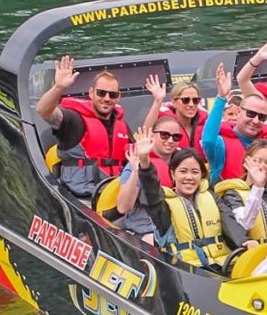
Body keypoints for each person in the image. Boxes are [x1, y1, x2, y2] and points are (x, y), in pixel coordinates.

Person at [35, 55, 133, 197]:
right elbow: (43, 110)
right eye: (101, 93)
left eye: (112, 95)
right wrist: (59, 87)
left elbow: (137, 154)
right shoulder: (73, 120)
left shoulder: (121, 125)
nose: (106, 98)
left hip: (113, 193)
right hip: (80, 197)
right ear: (91, 93)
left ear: (118, 97)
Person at [201, 63, 267, 190]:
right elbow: (208, 140)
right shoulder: (220, 145)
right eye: (251, 114)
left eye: (262, 117)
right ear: (238, 113)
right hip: (230, 206)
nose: (256, 120)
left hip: (265, 205)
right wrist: (221, 98)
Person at [135, 138, 228, 270]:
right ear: (173, 174)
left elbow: (232, 226)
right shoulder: (163, 207)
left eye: (195, 172)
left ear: (202, 175)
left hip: (221, 268)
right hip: (184, 273)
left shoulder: (213, 198)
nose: (189, 177)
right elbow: (152, 193)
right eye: (183, 171)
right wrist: (144, 162)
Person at [116, 118, 182, 243]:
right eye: (164, 135)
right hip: (145, 231)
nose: (170, 140)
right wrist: (136, 171)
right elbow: (123, 207)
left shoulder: (183, 163)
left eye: (176, 137)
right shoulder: (134, 163)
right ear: (152, 136)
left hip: (178, 228)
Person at [215, 139, 267, 251]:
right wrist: (258, 187)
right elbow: (244, 224)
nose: (262, 166)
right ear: (246, 163)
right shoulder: (232, 194)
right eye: (257, 161)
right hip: (252, 253)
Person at [141, 76, 208, 156]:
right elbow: (146, 133)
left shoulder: (206, 123)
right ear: (173, 102)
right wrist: (158, 100)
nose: (191, 105)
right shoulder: (164, 121)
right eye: (185, 100)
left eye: (195, 100)